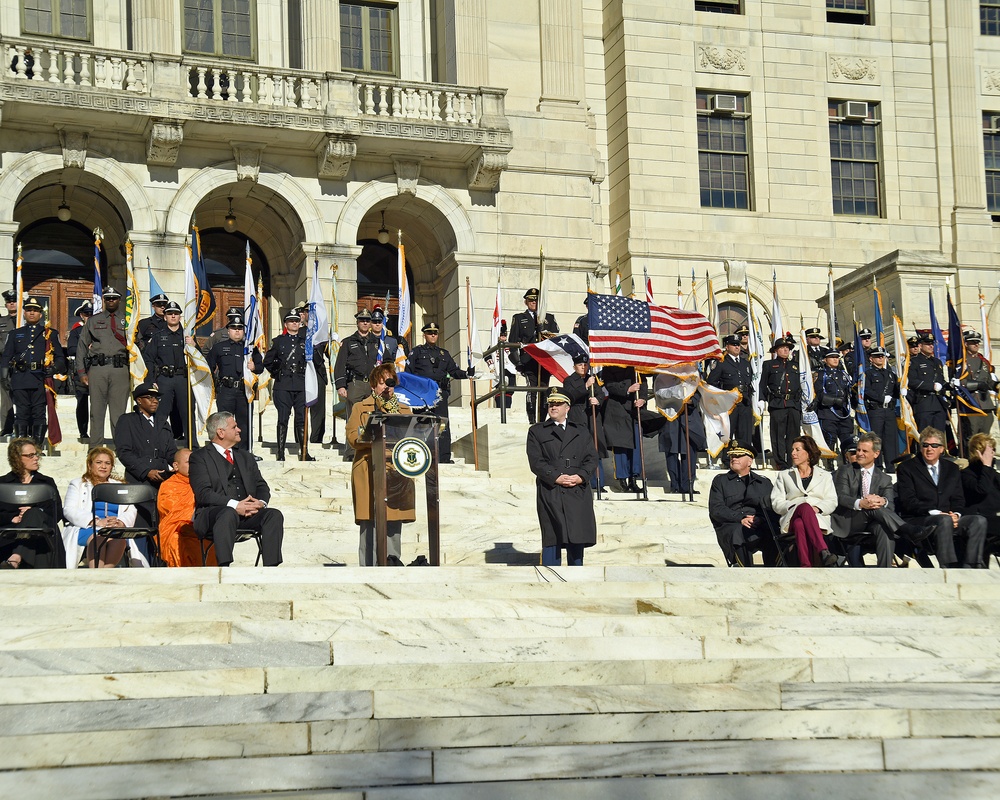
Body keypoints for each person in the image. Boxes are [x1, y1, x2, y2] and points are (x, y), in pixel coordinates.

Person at [189, 411, 283, 567]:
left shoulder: (245, 456)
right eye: (234, 427)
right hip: (214, 515)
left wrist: (260, 503)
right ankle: (224, 567)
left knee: (273, 515)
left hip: (246, 515)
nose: (239, 430)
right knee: (227, 513)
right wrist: (235, 505)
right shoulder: (200, 457)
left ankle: (271, 569)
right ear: (221, 432)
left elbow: (261, 485)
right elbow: (203, 494)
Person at [346, 363, 415, 566]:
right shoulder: (361, 407)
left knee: (393, 520)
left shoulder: (404, 409)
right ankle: (368, 567)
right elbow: (352, 436)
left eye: (390, 382)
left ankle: (392, 562)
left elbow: (414, 436)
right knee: (370, 522)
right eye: (383, 382)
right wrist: (367, 433)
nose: (387, 387)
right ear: (374, 385)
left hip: (396, 470)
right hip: (369, 468)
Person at [895, 426, 987, 568]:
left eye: (934, 445)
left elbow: (958, 499)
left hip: (948, 517)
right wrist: (937, 513)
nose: (929, 449)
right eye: (925, 445)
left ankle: (971, 567)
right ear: (921, 447)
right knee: (943, 520)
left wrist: (956, 514)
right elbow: (908, 501)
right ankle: (948, 567)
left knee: (978, 521)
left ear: (942, 449)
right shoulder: (907, 468)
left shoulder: (952, 469)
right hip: (921, 518)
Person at [525, 390, 597, 566]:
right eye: (551, 404)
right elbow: (536, 461)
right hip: (551, 489)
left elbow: (592, 458)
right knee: (552, 535)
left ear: (567, 408)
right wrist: (556, 477)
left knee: (576, 535)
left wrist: (581, 476)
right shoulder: (537, 431)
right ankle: (551, 576)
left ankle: (576, 574)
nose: (553, 407)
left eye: (558, 404)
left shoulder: (581, 431)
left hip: (577, 489)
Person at [61, 446, 146, 569]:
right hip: (87, 527)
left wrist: (120, 522)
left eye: (107, 463)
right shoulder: (78, 484)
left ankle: (103, 575)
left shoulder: (120, 486)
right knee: (99, 538)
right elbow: (69, 510)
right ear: (90, 465)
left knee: (119, 539)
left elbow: (131, 509)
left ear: (112, 467)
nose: (103, 466)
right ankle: (97, 574)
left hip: (114, 528)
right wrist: (97, 521)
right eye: (99, 462)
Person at [0, 295, 65, 445]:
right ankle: (21, 445)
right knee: (21, 413)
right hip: (20, 378)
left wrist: (54, 369)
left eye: (35, 310)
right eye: (28, 310)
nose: (31, 313)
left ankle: (36, 446)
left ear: (40, 314)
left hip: (40, 379)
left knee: (39, 414)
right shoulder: (15, 334)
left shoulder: (49, 333)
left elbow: (61, 358)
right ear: (24, 313)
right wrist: (4, 377)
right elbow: (6, 356)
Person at [113, 382, 177, 535]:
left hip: (163, 479)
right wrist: (146, 471)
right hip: (139, 479)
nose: (154, 401)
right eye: (150, 397)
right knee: (142, 524)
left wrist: (176, 463)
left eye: (156, 398)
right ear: (139, 400)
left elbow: (171, 450)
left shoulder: (162, 421)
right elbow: (124, 452)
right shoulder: (127, 420)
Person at [830, 432, 901, 568]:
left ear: (876, 453)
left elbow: (890, 506)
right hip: (850, 520)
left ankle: (885, 573)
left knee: (884, 529)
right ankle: (905, 529)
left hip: (873, 523)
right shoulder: (845, 470)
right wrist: (861, 503)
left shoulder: (885, 479)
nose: (859, 454)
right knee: (871, 508)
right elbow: (841, 497)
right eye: (858, 450)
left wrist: (883, 501)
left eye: (864, 451)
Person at [407, 322, 472, 464]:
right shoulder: (416, 352)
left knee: (442, 425)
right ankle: (420, 455)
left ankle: (443, 457)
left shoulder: (444, 354)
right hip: (422, 394)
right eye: (430, 333)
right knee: (421, 424)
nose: (433, 335)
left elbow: (454, 371)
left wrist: (467, 373)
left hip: (439, 393)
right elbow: (408, 374)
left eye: (435, 333)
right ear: (424, 334)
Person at [770, 435, 839, 567]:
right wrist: (795, 507)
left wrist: (817, 509)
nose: (792, 453)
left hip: (817, 518)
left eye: (797, 450)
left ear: (809, 453)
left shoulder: (825, 476)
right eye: (792, 450)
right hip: (791, 516)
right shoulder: (784, 475)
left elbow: (832, 501)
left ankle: (805, 566)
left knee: (800, 524)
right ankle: (823, 551)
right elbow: (776, 502)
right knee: (803, 507)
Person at [708, 440, 779, 567]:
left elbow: (773, 508)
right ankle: (745, 571)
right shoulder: (720, 481)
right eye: (732, 456)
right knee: (738, 534)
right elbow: (716, 509)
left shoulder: (764, 483)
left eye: (739, 456)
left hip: (759, 523)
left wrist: (760, 519)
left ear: (750, 461)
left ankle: (774, 572)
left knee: (774, 533)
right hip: (733, 524)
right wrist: (740, 518)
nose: (734, 458)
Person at [263, 310, 321, 461]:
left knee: (301, 419)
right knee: (283, 418)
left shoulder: (306, 341)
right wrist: (277, 372)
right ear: (286, 324)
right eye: (291, 321)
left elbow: (316, 362)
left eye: (296, 321)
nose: (294, 323)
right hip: (283, 384)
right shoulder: (278, 341)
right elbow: (268, 361)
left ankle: (304, 452)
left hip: (301, 384)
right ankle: (281, 453)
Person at [76, 285, 129, 447]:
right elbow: (82, 346)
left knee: (118, 413)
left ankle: (120, 447)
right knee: (96, 411)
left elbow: (137, 346)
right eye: (108, 298)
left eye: (114, 298)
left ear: (119, 300)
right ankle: (95, 447)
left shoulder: (127, 320)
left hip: (120, 370)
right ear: (104, 300)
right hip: (98, 369)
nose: (111, 301)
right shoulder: (93, 320)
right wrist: (81, 372)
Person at [0, 437, 63, 569]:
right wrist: (14, 518)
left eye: (36, 454)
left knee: (34, 513)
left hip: (43, 532)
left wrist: (34, 513)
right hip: (11, 535)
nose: (36, 458)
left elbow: (57, 513)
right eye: (30, 455)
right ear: (17, 458)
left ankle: (16, 556)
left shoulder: (46, 483)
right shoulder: (3, 483)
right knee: (39, 544)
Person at [207, 314, 262, 456]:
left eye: (239, 328)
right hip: (226, 390)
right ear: (228, 330)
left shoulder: (250, 348)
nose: (237, 331)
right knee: (224, 423)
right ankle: (225, 451)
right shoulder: (219, 347)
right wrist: (215, 386)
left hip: (244, 390)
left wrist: (254, 367)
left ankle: (245, 452)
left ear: (244, 331)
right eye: (233, 328)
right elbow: (209, 368)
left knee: (244, 423)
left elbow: (261, 367)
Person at [157, 448, 217, 567]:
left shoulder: (203, 484)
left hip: (201, 527)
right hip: (177, 529)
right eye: (189, 462)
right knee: (176, 540)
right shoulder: (169, 486)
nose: (193, 466)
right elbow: (172, 514)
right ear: (176, 466)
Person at [508, 287, 559, 424]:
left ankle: (541, 420)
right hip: (529, 359)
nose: (534, 303)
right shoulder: (519, 318)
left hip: (545, 360)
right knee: (532, 389)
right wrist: (517, 362)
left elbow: (556, 338)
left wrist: (544, 330)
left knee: (544, 390)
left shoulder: (549, 318)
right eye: (531, 300)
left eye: (536, 300)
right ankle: (532, 419)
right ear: (526, 302)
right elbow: (512, 341)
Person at [334, 308, 378, 460]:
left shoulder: (377, 342)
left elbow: (385, 362)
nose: (365, 323)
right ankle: (351, 451)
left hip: (373, 385)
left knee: (372, 418)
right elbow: (340, 365)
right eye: (362, 320)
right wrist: (340, 385)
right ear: (357, 322)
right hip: (355, 383)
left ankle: (371, 449)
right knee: (353, 418)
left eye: (367, 320)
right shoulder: (348, 342)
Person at [145, 300, 190, 440]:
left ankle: (191, 445)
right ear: (165, 317)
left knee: (187, 413)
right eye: (170, 313)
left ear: (180, 317)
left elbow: (199, 360)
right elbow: (149, 359)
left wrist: (194, 346)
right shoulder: (158, 337)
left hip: (183, 379)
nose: (173, 316)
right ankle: (158, 443)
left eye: (176, 313)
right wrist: (151, 381)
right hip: (164, 379)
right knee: (161, 413)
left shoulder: (187, 337)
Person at [561, 354, 606, 491]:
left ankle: (598, 481)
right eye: (580, 365)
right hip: (578, 419)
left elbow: (601, 394)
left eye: (585, 365)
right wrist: (585, 387)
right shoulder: (569, 380)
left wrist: (597, 400)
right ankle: (582, 479)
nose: (583, 367)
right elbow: (570, 396)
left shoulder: (592, 379)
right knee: (580, 452)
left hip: (591, 419)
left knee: (595, 451)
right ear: (574, 366)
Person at [601, 364, 646, 493]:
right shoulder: (610, 366)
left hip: (634, 409)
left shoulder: (636, 365)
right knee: (620, 447)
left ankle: (634, 478)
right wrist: (627, 389)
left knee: (636, 446)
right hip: (617, 410)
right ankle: (622, 479)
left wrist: (642, 398)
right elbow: (609, 385)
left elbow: (643, 383)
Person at [759, 335, 801, 470]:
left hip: (793, 404)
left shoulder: (795, 365)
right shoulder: (769, 365)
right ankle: (781, 462)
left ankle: (792, 460)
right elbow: (762, 384)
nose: (785, 350)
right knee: (778, 435)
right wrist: (762, 400)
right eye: (782, 348)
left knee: (793, 435)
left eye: (787, 348)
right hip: (777, 403)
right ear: (776, 350)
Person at [961, 432, 1000, 563]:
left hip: (994, 519)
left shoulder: (993, 475)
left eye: (992, 450)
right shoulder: (966, 474)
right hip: (977, 519)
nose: (991, 454)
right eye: (987, 451)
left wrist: (988, 468)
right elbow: (982, 489)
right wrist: (987, 466)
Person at [708, 334, 754, 445]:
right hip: (729, 404)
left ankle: (744, 457)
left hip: (745, 402)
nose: (737, 347)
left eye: (738, 345)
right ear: (727, 347)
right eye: (733, 345)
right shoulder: (721, 363)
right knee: (728, 434)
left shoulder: (745, 363)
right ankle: (728, 459)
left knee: (745, 434)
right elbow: (711, 383)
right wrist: (722, 397)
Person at [863, 347, 900, 473]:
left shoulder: (890, 374)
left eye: (882, 356)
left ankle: (891, 466)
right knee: (876, 439)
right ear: (871, 359)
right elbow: (866, 390)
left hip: (889, 411)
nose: (880, 358)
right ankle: (877, 467)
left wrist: (902, 390)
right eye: (877, 356)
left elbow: (896, 391)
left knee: (890, 439)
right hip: (876, 410)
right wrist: (881, 398)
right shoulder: (867, 374)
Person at [814, 347, 854, 460]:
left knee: (846, 439)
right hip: (828, 412)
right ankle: (830, 464)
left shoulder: (844, 374)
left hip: (843, 412)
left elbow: (850, 390)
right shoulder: (821, 374)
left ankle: (847, 463)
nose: (835, 359)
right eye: (832, 357)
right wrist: (835, 400)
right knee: (830, 438)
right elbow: (819, 393)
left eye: (837, 357)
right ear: (825, 360)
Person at [960, 330, 997, 445]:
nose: (976, 345)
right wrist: (978, 385)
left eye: (977, 342)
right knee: (971, 439)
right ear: (966, 344)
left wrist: (996, 385)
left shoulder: (984, 362)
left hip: (986, 404)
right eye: (973, 342)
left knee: (985, 438)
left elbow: (989, 381)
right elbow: (960, 382)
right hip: (971, 404)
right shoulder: (962, 362)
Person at [908, 333, 948, 432]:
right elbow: (912, 381)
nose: (931, 346)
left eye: (932, 344)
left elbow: (940, 380)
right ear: (920, 346)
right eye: (928, 344)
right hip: (924, 403)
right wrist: (932, 386)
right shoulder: (914, 362)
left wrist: (949, 385)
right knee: (925, 434)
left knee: (939, 435)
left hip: (938, 403)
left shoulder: (937, 362)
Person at [65, 301, 92, 440]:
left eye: (92, 314)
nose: (89, 316)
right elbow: (71, 349)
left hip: (97, 370)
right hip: (82, 370)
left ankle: (96, 431)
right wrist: (87, 348)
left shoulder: (99, 330)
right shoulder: (76, 331)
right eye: (87, 314)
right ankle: (83, 431)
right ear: (82, 315)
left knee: (97, 404)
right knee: (82, 402)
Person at [0, 289, 19, 437]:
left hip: (22, 364)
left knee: (23, 397)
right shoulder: (1, 322)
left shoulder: (25, 321)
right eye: (9, 301)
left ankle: (24, 429)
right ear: (6, 305)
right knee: (6, 398)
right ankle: (6, 428)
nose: (12, 303)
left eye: (14, 300)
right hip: (5, 363)